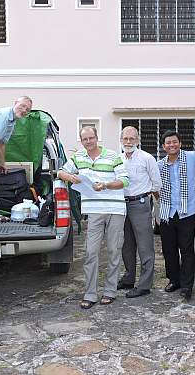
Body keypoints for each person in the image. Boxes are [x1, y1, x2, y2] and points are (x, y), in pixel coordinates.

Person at [58, 126, 129, 309]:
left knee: (114, 250)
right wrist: (71, 177)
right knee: (91, 252)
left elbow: (125, 180)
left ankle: (110, 291)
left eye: (91, 138)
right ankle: (90, 293)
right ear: (81, 141)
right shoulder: (78, 157)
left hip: (115, 209)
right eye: (85, 139)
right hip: (94, 210)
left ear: (97, 137)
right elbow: (60, 172)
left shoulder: (113, 156)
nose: (88, 142)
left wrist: (105, 185)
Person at [157, 130, 195, 300]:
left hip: (186, 213)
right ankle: (174, 280)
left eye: (174, 142)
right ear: (163, 146)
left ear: (180, 143)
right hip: (167, 213)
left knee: (187, 250)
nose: (171, 145)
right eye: (168, 142)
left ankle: (187, 285)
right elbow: (152, 182)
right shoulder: (160, 165)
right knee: (168, 250)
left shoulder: (192, 157)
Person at [117, 126, 162, 298]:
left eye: (132, 139)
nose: (128, 142)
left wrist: (146, 195)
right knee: (127, 245)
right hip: (121, 205)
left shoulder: (147, 158)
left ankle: (144, 285)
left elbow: (157, 183)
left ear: (138, 140)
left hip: (140, 204)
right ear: (121, 140)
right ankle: (129, 278)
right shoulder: (118, 159)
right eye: (125, 139)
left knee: (145, 246)